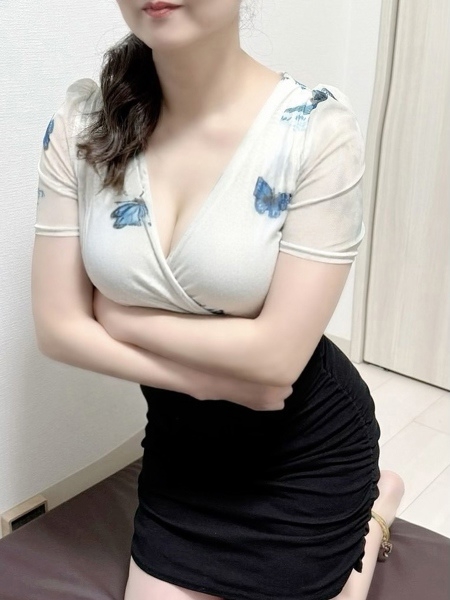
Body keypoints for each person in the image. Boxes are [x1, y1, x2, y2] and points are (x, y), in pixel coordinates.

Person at [32, 1, 405, 599]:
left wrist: (117, 316)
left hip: (306, 451)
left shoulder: (315, 130)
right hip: (183, 453)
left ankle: (376, 509)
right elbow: (56, 329)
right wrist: (206, 384)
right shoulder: (83, 125)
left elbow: (276, 361)